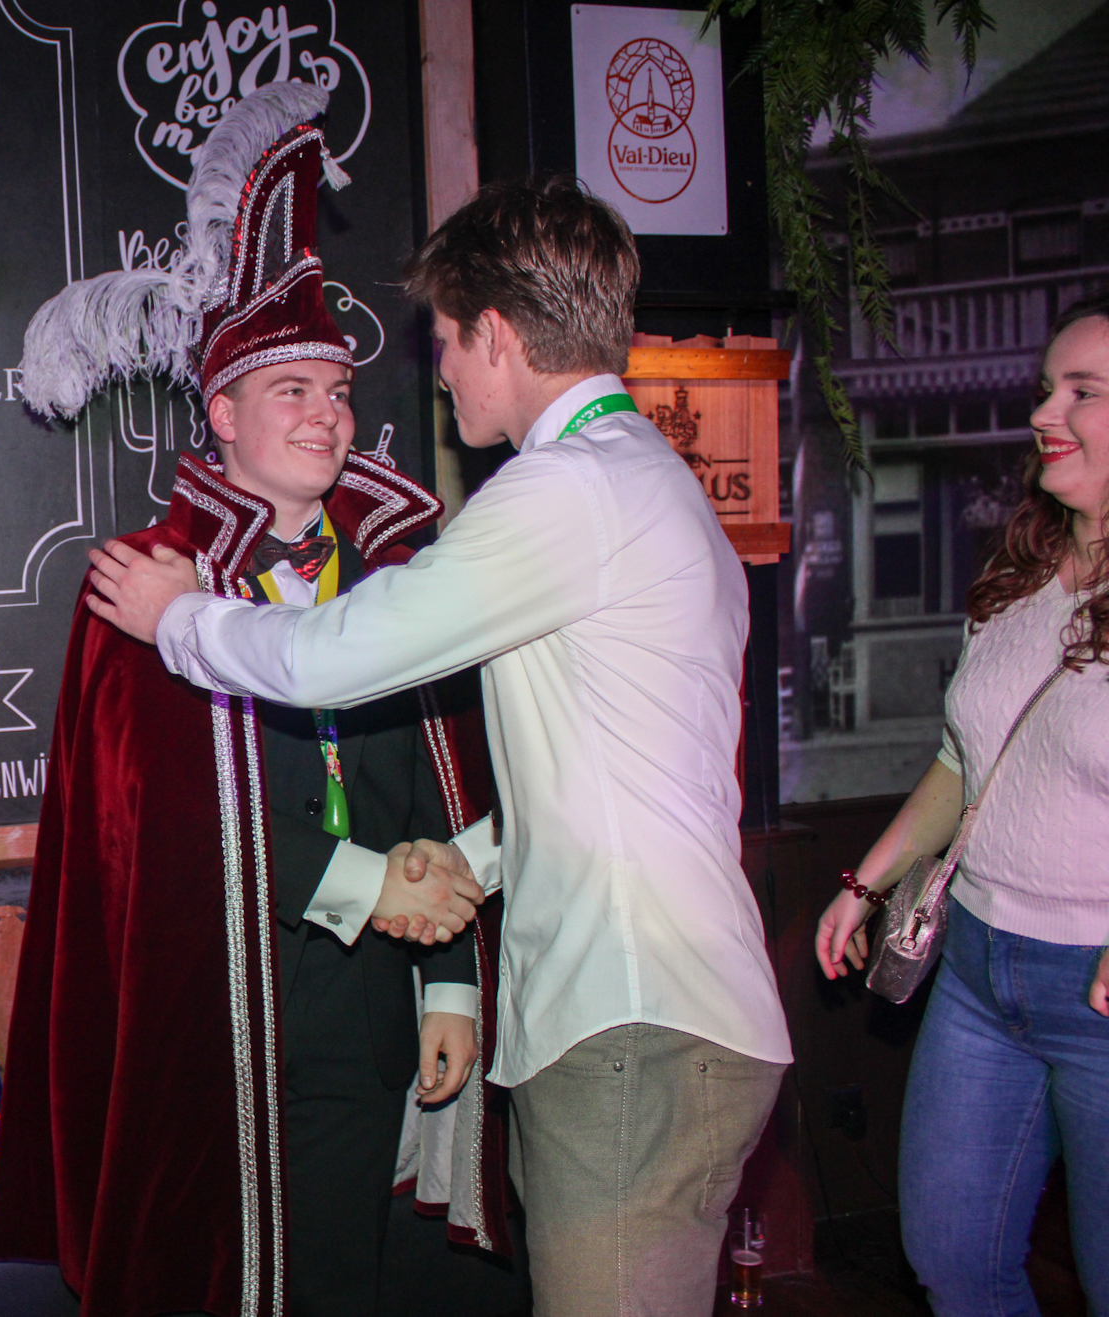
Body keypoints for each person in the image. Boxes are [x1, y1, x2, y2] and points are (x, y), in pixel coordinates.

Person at [85, 175, 793, 1317]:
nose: (442, 369)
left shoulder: (560, 494)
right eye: (293, 387)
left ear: (497, 334)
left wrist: (177, 618)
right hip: (652, 1009)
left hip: (631, 1020)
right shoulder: (643, 478)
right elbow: (595, 776)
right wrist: (453, 870)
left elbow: (332, 660)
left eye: (450, 341)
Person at [0, 83, 509, 1317]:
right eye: (292, 393)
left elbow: (443, 786)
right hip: (230, 1024)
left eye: (336, 391)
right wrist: (364, 885)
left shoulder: (396, 566)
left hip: (379, 1003)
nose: (327, 416)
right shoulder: (144, 583)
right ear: (219, 412)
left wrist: (449, 984)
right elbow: (157, 831)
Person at [817, 295, 1109, 1311]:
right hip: (978, 968)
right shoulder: (1019, 576)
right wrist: (868, 880)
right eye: (1045, 388)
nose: (1044, 412)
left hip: (1097, 990)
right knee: (950, 1258)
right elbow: (962, 761)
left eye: (1082, 392)